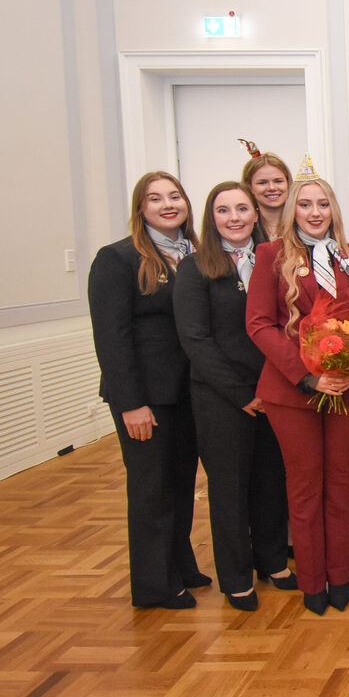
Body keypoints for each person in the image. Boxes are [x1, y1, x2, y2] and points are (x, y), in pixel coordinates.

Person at [245, 156, 349, 615]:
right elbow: (259, 324)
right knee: (304, 489)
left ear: (333, 209)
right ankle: (312, 582)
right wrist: (307, 376)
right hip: (292, 392)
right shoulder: (270, 256)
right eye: (306, 204)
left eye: (323, 204)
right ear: (292, 210)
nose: (315, 212)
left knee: (341, 484)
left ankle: (340, 577)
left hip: (348, 387)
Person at [173, 181, 294, 610]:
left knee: (271, 481)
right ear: (211, 218)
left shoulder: (276, 260)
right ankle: (237, 577)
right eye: (224, 211)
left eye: (243, 209)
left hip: (275, 392)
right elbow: (195, 341)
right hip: (222, 399)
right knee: (230, 488)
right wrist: (242, 393)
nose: (236, 218)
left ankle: (274, 561)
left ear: (255, 213)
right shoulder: (195, 269)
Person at [88, 171, 207, 609]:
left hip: (188, 394)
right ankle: (156, 585)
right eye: (155, 199)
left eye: (175, 196)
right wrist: (130, 403)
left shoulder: (194, 254)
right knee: (150, 489)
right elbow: (112, 338)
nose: (167, 204)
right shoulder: (117, 259)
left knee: (181, 484)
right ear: (141, 209)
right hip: (146, 399)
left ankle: (181, 564)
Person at [240, 144, 292, 243]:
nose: (272, 188)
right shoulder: (242, 227)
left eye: (278, 181)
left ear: (288, 183)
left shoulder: (302, 225)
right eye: (262, 182)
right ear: (249, 187)